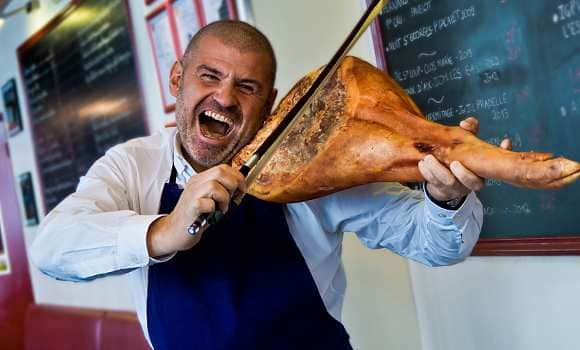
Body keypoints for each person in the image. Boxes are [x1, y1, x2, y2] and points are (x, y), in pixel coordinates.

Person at [31, 21, 508, 350]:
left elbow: (437, 245)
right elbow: (53, 249)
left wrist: (446, 197)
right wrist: (165, 232)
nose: (224, 96)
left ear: (270, 103)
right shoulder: (133, 165)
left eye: (247, 86)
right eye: (209, 76)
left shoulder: (310, 164)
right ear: (178, 78)